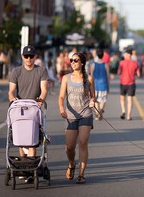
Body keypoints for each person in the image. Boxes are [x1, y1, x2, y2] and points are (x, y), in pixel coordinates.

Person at [58, 52, 96, 184]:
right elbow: (61, 97)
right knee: (69, 147)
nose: (73, 63)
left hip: (85, 114)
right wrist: (62, 108)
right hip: (71, 116)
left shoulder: (89, 78)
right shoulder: (66, 78)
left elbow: (93, 96)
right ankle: (71, 164)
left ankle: (81, 174)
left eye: (76, 60)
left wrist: (92, 101)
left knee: (83, 142)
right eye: (71, 60)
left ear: (82, 63)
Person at [8, 45, 49, 158]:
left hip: (34, 109)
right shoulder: (16, 71)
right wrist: (12, 98)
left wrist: (40, 100)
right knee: (21, 141)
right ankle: (23, 164)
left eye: (31, 56)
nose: (29, 59)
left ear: (35, 56)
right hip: (20, 109)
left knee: (32, 140)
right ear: (22, 57)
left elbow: (44, 89)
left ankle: (31, 168)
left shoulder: (41, 70)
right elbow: (11, 91)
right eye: (26, 56)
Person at [118, 48, 140, 121]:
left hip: (123, 82)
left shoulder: (121, 62)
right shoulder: (135, 63)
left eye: (125, 54)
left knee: (122, 98)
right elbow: (138, 74)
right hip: (131, 83)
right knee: (130, 100)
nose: (124, 55)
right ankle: (128, 116)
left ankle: (123, 110)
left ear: (128, 55)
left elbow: (119, 72)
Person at [91, 48, 110, 120]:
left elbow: (91, 76)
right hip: (104, 84)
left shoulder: (93, 65)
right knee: (103, 99)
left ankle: (97, 113)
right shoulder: (106, 65)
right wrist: (108, 86)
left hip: (95, 85)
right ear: (103, 56)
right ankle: (101, 110)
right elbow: (108, 76)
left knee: (96, 100)